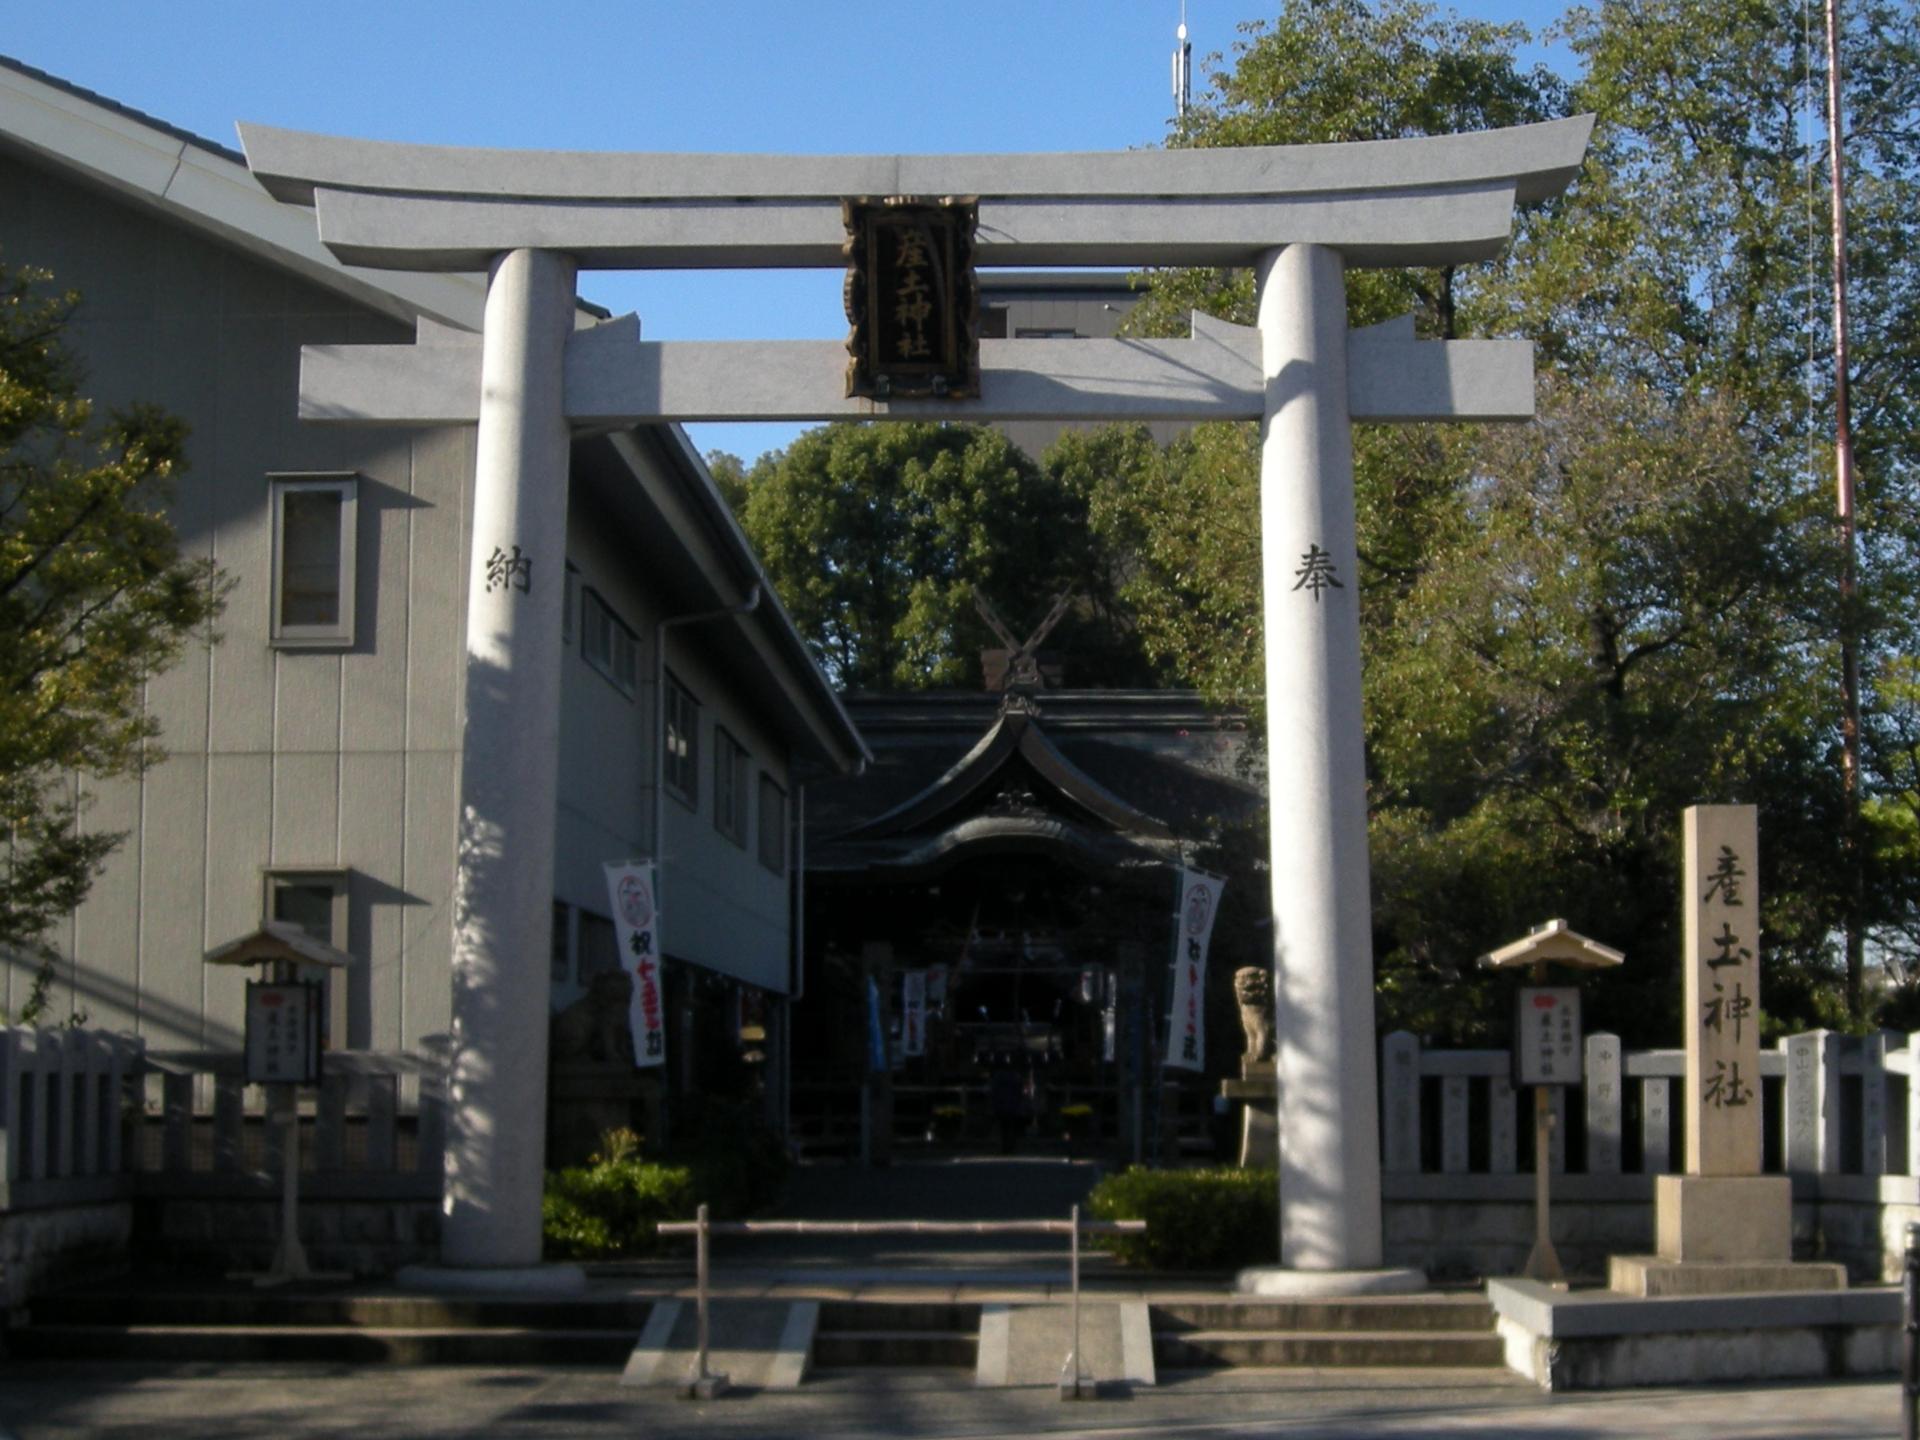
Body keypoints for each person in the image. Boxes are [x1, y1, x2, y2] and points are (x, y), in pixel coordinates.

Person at [989, 1054, 1027, 1155]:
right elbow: (1020, 1092)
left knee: (1004, 1128)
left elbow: (994, 1091)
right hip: (1012, 1106)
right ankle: (1010, 1147)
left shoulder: (999, 1076)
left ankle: (1005, 1147)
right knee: (1011, 1128)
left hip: (1003, 1106)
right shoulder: (1015, 1076)